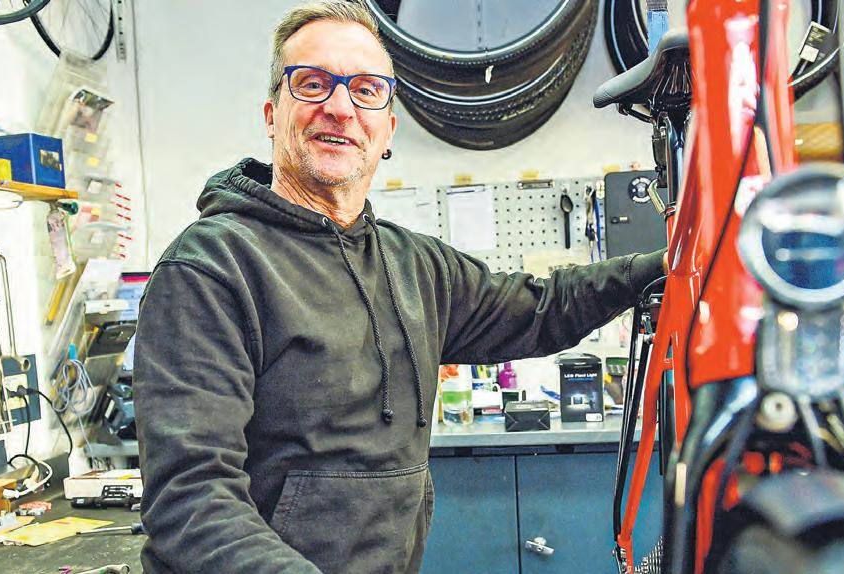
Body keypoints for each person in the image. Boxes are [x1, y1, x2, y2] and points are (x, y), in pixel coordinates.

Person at [133, 1, 667, 572]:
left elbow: (542, 308)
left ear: (387, 127)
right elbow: (192, 500)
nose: (340, 107)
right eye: (312, 84)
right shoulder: (210, 268)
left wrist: (665, 263)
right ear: (272, 114)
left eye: (366, 90)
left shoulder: (415, 267)